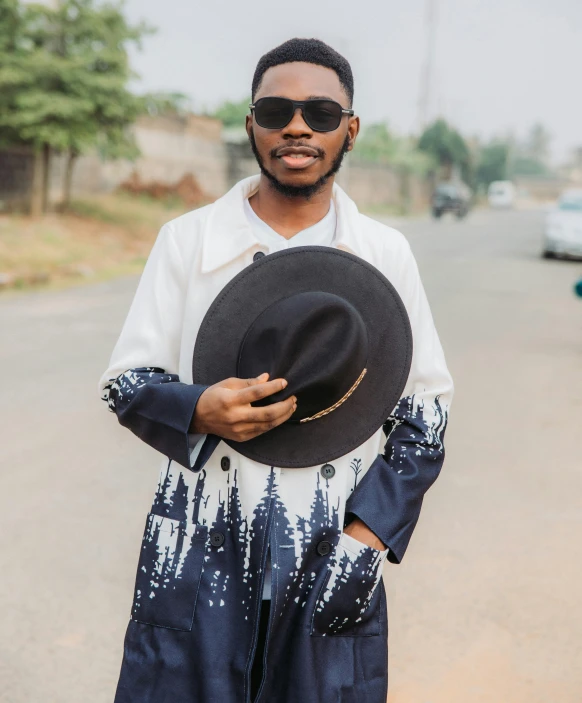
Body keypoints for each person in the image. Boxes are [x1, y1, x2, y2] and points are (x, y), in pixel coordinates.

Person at [99, 37, 453, 703]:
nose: (297, 125)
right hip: (197, 549)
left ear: (350, 130)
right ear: (251, 126)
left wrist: (363, 539)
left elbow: (425, 414)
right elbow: (127, 381)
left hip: (328, 551)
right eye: (276, 110)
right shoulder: (187, 240)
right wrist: (199, 408)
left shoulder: (384, 252)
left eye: (321, 113)